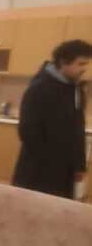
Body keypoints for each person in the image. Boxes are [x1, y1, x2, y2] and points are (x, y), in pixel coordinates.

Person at [12, 38, 91, 198]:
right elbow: (27, 131)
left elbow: (77, 128)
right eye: (80, 64)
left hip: (64, 170)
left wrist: (79, 165)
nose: (84, 69)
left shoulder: (75, 89)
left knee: (59, 209)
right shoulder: (39, 87)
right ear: (63, 62)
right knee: (31, 208)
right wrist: (52, 163)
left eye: (86, 64)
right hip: (38, 170)